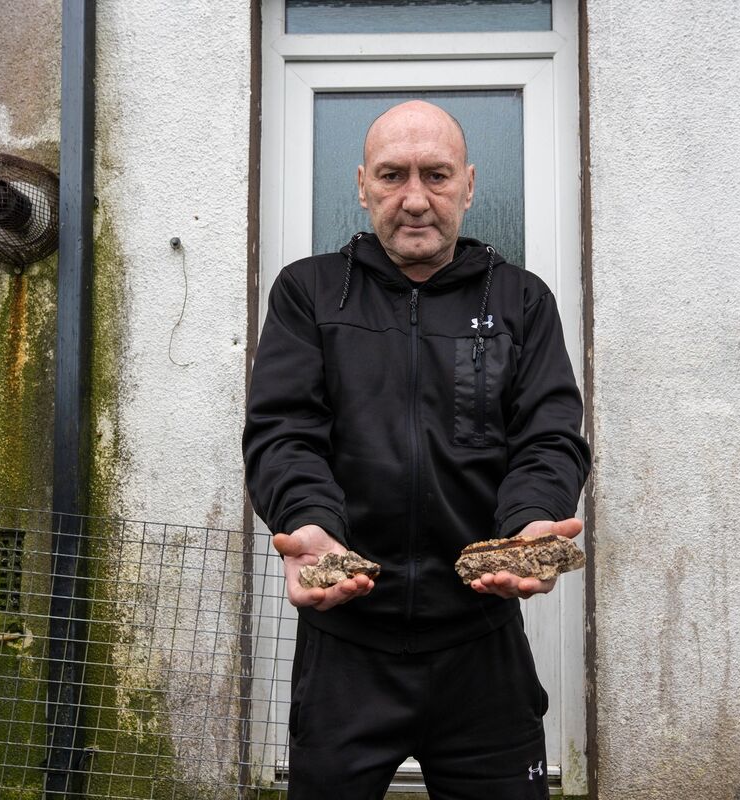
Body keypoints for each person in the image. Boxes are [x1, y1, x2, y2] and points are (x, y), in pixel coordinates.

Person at [242, 100, 591, 799]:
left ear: (467, 184)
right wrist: (310, 525)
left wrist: (533, 517)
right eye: (393, 176)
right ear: (362, 184)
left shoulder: (521, 301)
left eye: (435, 176)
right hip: (347, 641)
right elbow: (283, 431)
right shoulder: (309, 294)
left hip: (481, 643)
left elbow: (548, 436)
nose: (414, 200)